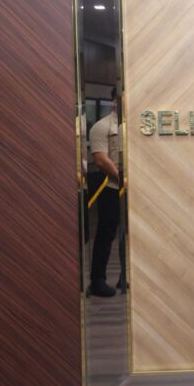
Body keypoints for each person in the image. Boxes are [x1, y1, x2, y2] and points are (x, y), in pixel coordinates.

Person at [88, 87, 122, 298]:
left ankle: (126, 277)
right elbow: (101, 160)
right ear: (114, 100)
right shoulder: (101, 127)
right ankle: (97, 280)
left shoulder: (136, 125)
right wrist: (123, 179)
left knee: (132, 235)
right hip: (111, 189)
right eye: (121, 98)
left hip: (134, 190)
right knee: (106, 234)